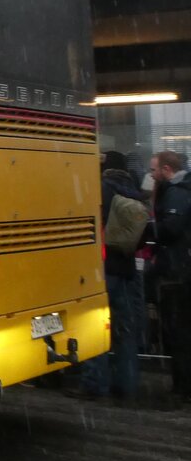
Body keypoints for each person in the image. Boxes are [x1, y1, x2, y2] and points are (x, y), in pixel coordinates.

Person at [75, 151, 146, 400]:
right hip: (127, 270)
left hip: (102, 270)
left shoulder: (101, 189)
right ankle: (127, 385)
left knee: (95, 328)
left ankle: (95, 384)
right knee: (125, 331)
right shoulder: (135, 190)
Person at [151, 150, 191, 403]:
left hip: (177, 271)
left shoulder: (176, 193)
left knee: (178, 331)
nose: (151, 175)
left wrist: (150, 228)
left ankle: (182, 386)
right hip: (182, 267)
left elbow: (170, 229)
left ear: (166, 170)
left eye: (154, 170)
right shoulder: (181, 191)